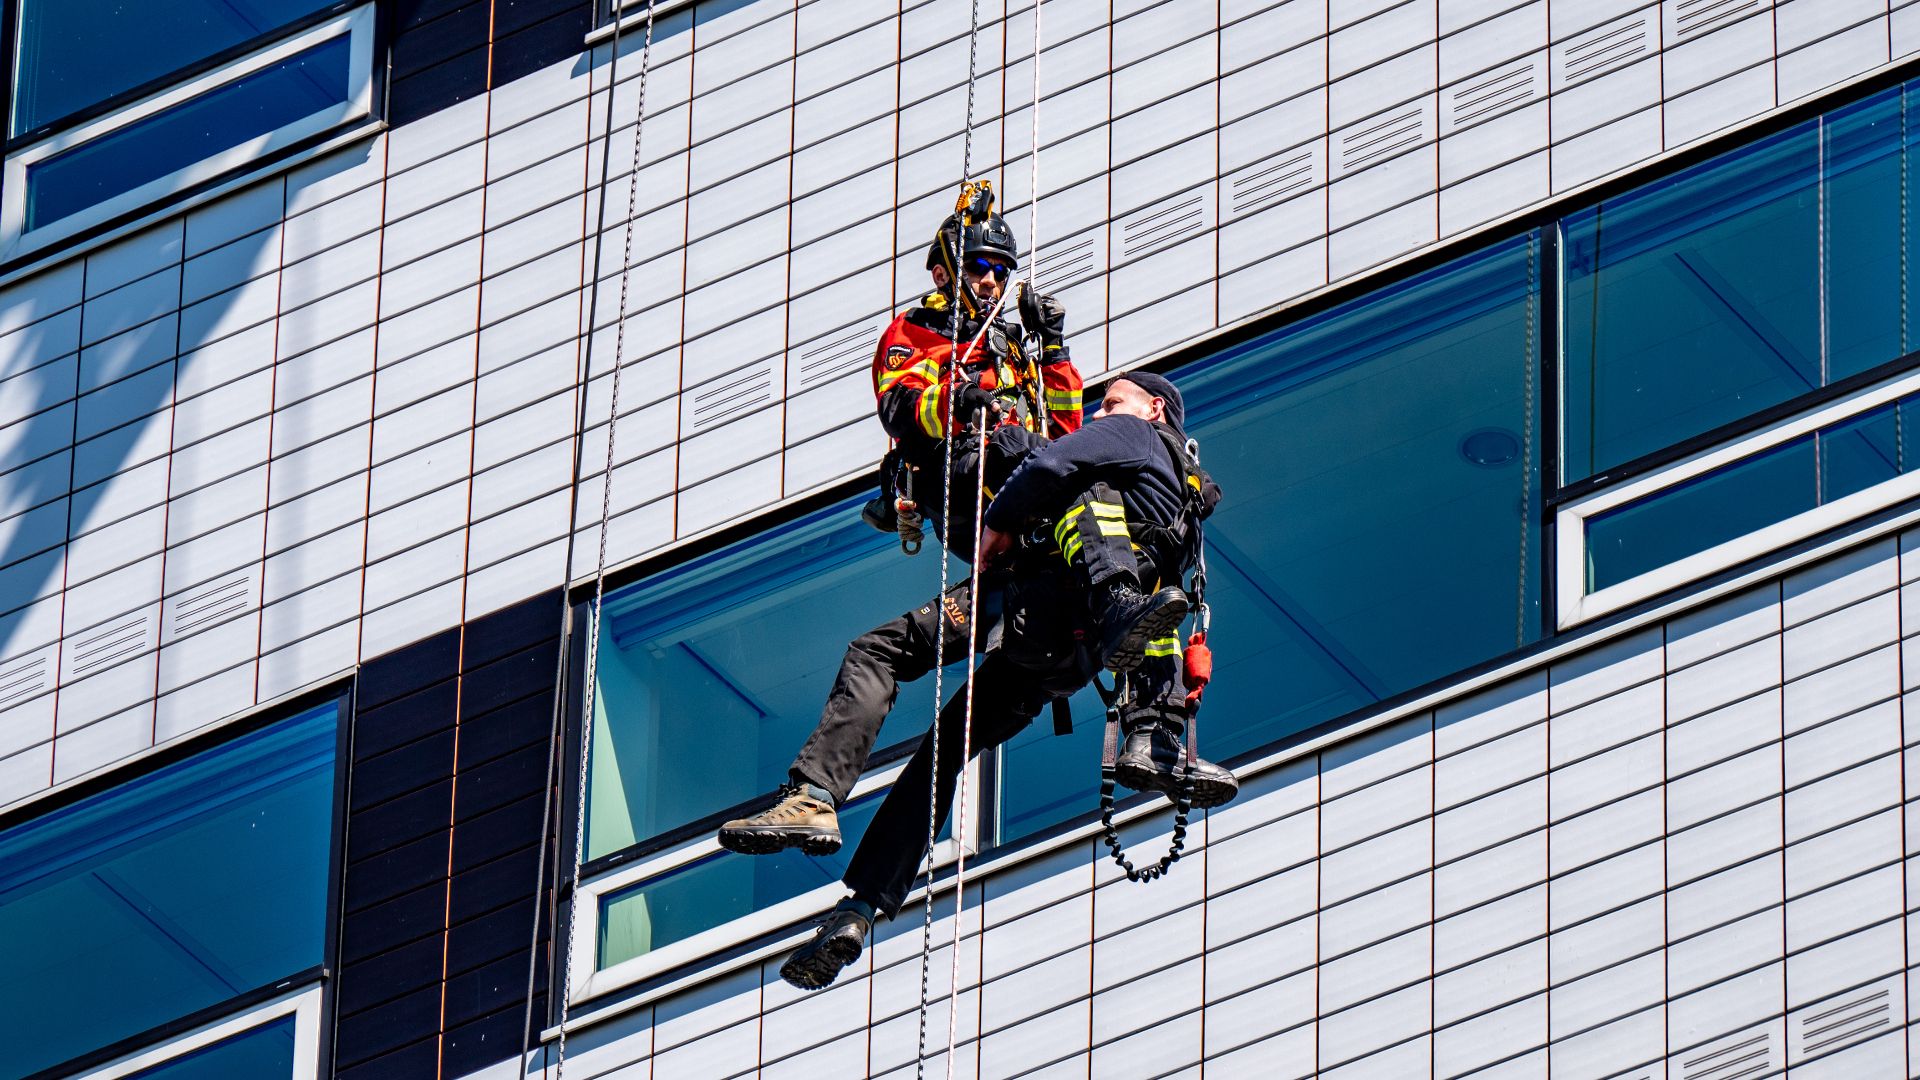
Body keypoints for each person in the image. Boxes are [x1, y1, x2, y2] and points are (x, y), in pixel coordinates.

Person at [776, 373, 1239, 991]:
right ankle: (858, 910)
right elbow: (1163, 631)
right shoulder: (1182, 504)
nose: (1100, 412)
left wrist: (998, 519)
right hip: (1066, 663)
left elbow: (1052, 464)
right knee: (946, 752)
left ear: (1155, 409)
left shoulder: (1131, 435)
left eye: (1113, 401)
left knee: (883, 652)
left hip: (1035, 602)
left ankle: (823, 819)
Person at [714, 182, 1086, 857]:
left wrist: (1053, 349)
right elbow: (902, 408)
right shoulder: (915, 334)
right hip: (991, 537)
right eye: (980, 266)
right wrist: (965, 395)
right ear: (946, 270)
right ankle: (813, 798)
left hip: (1038, 536)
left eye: (1004, 270)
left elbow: (1065, 435)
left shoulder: (1016, 353)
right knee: (876, 650)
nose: (994, 280)